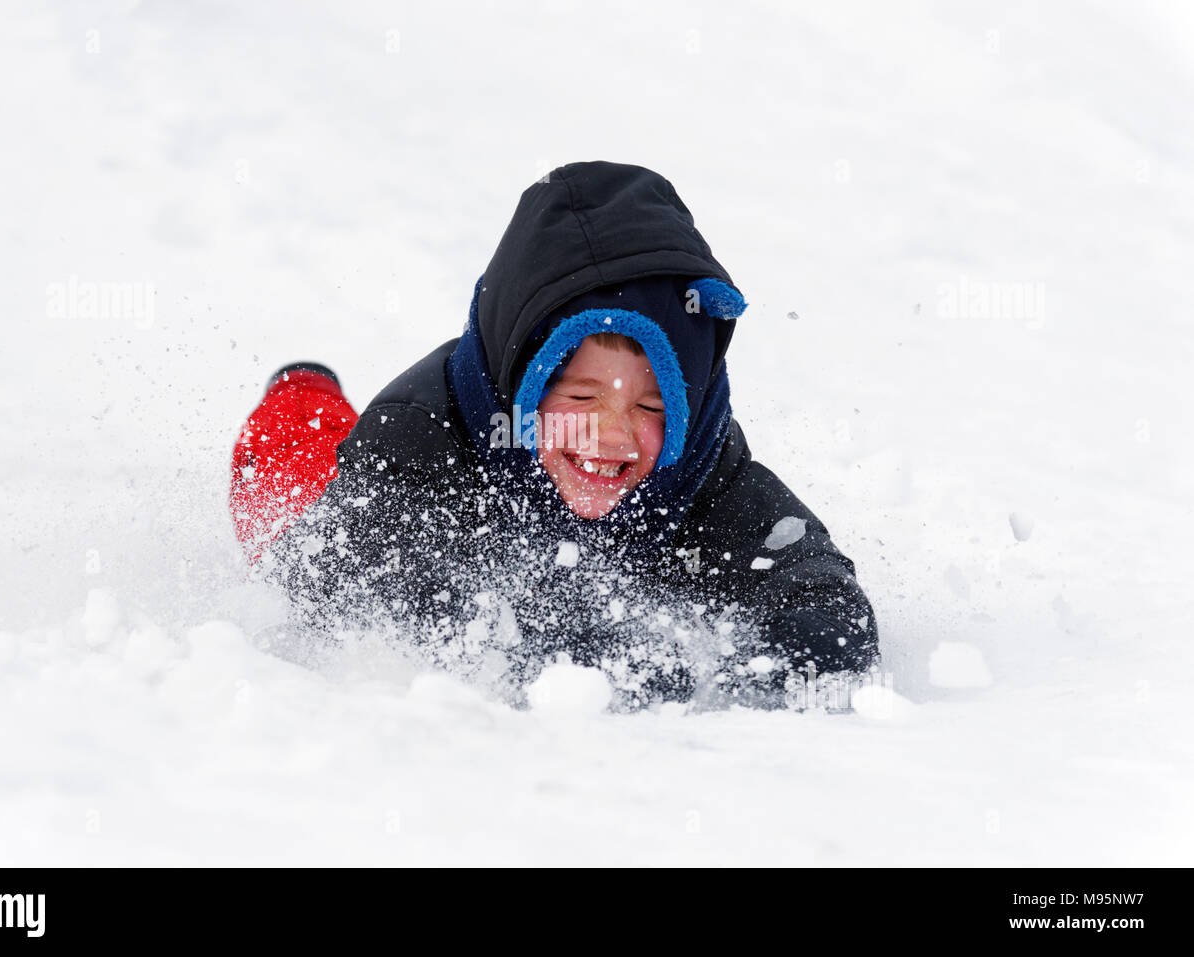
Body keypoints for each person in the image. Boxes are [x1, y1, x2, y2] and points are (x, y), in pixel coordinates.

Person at [230, 160, 879, 710]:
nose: (612, 435)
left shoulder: (698, 462)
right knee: (292, 477)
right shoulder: (422, 438)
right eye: (580, 397)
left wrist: (799, 647)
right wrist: (572, 642)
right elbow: (376, 600)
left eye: (654, 404)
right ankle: (302, 389)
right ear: (525, 386)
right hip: (333, 510)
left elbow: (807, 572)